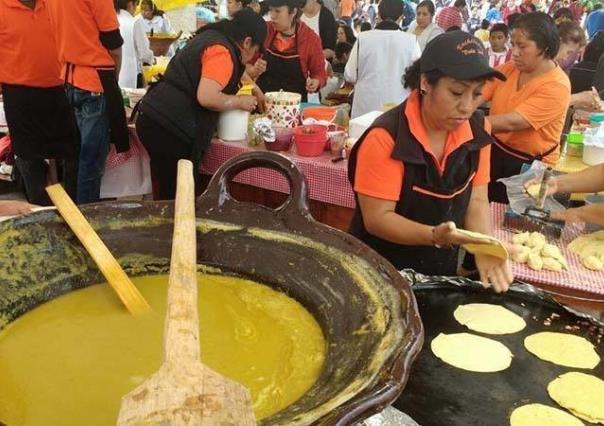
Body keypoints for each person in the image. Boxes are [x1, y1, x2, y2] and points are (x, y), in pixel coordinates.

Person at [347, 31, 512, 292]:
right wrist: (434, 235)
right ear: (425, 83)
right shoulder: (386, 137)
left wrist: (484, 246)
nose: (467, 107)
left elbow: (478, 199)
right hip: (376, 271)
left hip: (436, 271)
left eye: (477, 94)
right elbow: (378, 219)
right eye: (457, 92)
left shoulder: (479, 130)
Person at [135, 9, 265, 200]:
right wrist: (239, 101)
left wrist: (253, 87)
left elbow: (223, 69)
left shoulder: (214, 39)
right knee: (178, 198)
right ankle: (173, 229)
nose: (252, 58)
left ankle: (167, 225)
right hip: (170, 127)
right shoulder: (222, 52)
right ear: (247, 42)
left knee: (168, 192)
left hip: (155, 116)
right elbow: (207, 97)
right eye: (255, 52)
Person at [481, 12, 571, 203]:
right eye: (513, 44)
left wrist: (469, 122)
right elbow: (476, 94)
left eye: (522, 46)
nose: (514, 51)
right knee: (487, 207)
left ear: (545, 47)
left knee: (518, 222)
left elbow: (515, 121)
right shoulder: (508, 70)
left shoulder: (557, 85)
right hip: (496, 153)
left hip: (532, 168)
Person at [46, 0, 129, 204]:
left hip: (67, 77)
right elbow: (113, 43)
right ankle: (86, 223)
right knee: (90, 164)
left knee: (72, 159)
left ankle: (71, 217)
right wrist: (113, 77)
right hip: (94, 81)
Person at [0, 0, 78, 206]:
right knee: (29, 157)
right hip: (19, 95)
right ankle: (38, 210)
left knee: (70, 151)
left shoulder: (54, 5)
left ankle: (70, 208)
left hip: (58, 90)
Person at [344, 0, 420, 118]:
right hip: (398, 109)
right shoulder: (411, 41)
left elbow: (350, 75)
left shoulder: (363, 39)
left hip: (366, 109)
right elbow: (416, 78)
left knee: (364, 135)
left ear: (379, 14)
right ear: (401, 17)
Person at [256, 0, 327, 102]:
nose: (272, 16)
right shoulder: (265, 30)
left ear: (293, 12)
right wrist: (255, 69)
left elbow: (320, 74)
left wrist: (316, 82)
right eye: (270, 10)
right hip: (264, 102)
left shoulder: (310, 38)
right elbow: (247, 67)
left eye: (278, 11)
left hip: (294, 106)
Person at [116, 0, 155, 89]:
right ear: (130, 4)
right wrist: (152, 59)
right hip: (131, 77)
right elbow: (145, 54)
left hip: (113, 77)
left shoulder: (112, 20)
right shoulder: (134, 22)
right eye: (137, 4)